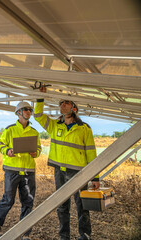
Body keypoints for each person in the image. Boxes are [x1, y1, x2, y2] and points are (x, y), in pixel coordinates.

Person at [34, 86, 100, 240]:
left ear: (74, 108)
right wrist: (39, 98)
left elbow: (91, 153)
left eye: (66, 102)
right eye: (61, 102)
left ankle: (85, 235)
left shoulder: (84, 129)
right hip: (59, 171)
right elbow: (37, 115)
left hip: (78, 172)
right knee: (62, 205)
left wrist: (95, 178)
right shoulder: (54, 125)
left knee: (81, 205)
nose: (62, 105)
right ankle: (64, 236)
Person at [0, 101, 41, 239]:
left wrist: (35, 153)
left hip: (28, 171)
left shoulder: (34, 132)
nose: (28, 112)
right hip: (12, 170)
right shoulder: (10, 129)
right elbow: (0, 144)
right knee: (8, 200)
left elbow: (38, 148)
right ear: (18, 112)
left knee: (28, 201)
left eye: (30, 110)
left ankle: (25, 233)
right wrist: (8, 151)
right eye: (26, 109)